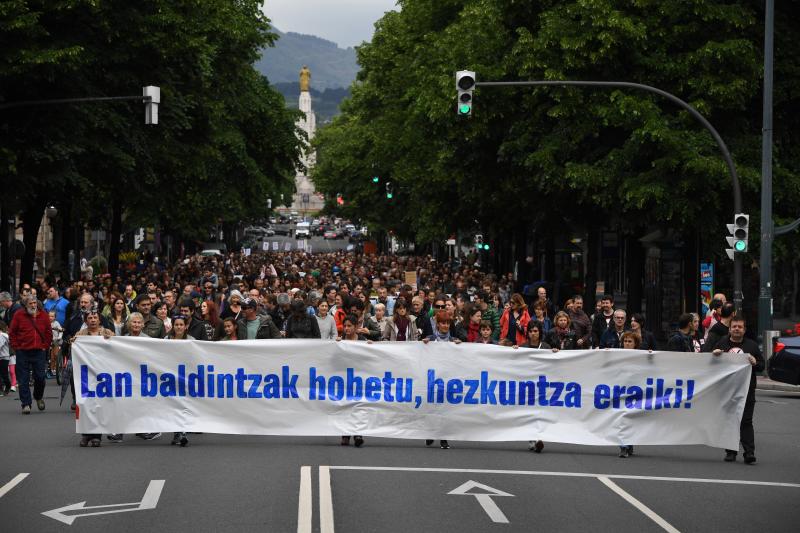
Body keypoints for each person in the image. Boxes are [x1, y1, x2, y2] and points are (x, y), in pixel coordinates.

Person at [711, 317, 764, 464]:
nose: (736, 329)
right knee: (730, 420)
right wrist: (714, 355)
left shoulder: (752, 346)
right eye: (734, 326)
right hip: (727, 389)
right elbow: (709, 364)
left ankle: (749, 453)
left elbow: (762, 366)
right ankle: (731, 452)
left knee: (746, 421)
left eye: (740, 327)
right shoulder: (721, 343)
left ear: (744, 330)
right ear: (729, 329)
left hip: (747, 389)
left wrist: (755, 362)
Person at [73, 307, 114, 447]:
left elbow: (118, 348)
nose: (93, 320)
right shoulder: (80, 334)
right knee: (85, 404)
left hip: (103, 374)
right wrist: (73, 342)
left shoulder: (107, 333)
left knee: (99, 404)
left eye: (95, 317)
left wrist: (112, 340)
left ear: (99, 319)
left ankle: (97, 435)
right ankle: (86, 435)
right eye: (90, 318)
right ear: (86, 320)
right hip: (86, 374)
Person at [9, 295, 52, 415]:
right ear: (25, 305)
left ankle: (38, 397)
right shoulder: (18, 315)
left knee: (40, 378)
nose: (33, 305)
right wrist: (16, 346)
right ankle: (26, 404)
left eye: (34, 303)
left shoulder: (43, 315)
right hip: (23, 351)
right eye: (30, 303)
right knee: (23, 379)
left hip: (39, 351)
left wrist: (45, 346)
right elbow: (12, 332)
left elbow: (48, 332)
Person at [421, 310, 459, 449]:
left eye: (447, 323)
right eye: (443, 323)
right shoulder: (430, 339)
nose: (445, 326)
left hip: (448, 379)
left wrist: (460, 346)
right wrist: (423, 344)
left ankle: (443, 438)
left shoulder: (453, 340)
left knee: (445, 410)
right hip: (433, 379)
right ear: (438, 324)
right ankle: (431, 433)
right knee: (433, 408)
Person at [337, 314, 368, 447]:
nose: (346, 328)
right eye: (345, 326)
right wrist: (335, 345)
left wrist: (372, 346)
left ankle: (358, 434)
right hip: (345, 379)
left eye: (349, 326)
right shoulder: (341, 341)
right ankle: (345, 434)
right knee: (345, 406)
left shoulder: (362, 340)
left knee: (358, 406)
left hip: (359, 379)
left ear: (356, 327)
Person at [47, 310, 64, 377]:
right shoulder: (46, 323)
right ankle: (51, 369)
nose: (50, 317)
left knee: (56, 354)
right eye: (49, 316)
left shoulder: (56, 323)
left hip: (56, 340)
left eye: (52, 316)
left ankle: (56, 368)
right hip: (49, 341)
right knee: (51, 356)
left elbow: (61, 331)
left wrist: (59, 337)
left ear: (55, 317)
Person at [0, 321, 11, 395]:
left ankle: (8, 385)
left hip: (4, 357)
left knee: (4, 374)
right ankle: (0, 389)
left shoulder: (2, 335)